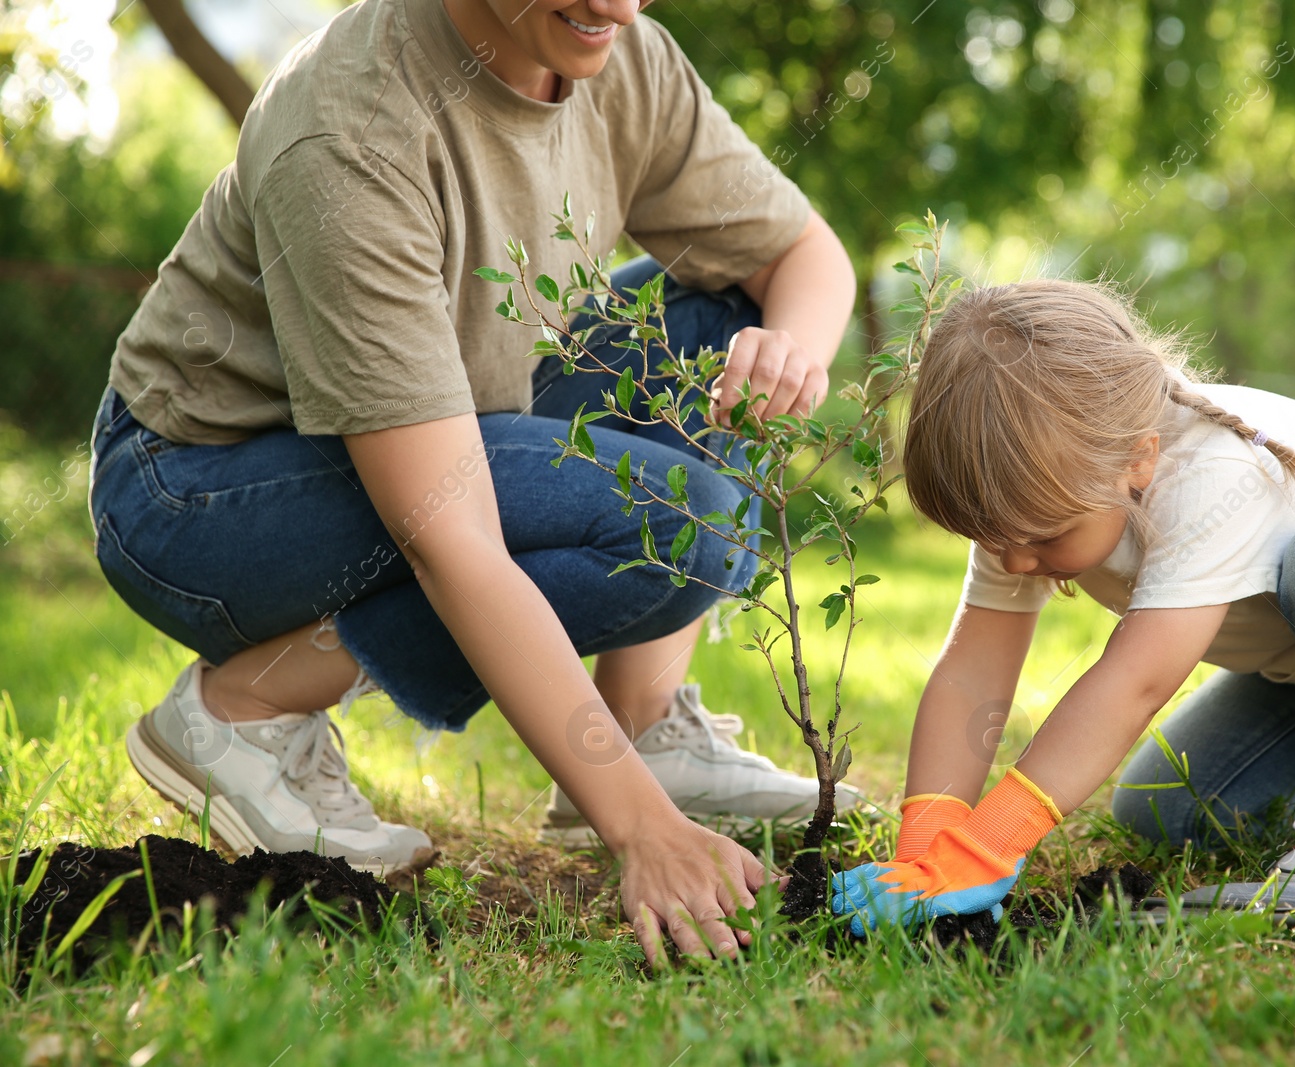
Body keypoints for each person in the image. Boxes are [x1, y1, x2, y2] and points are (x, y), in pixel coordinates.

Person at [88, 0, 862, 966]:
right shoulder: (351, 128)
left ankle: (646, 721)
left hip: (459, 414)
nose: (620, 7)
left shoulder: (619, 53)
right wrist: (641, 830)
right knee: (684, 526)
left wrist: (786, 355)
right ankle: (244, 707)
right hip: (199, 493)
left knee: (729, 316)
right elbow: (449, 537)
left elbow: (803, 254)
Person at [830, 279, 1295, 933]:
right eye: (994, 538)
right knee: (1163, 807)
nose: (1015, 561)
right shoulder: (1036, 492)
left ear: (1138, 460)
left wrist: (991, 842)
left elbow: (1136, 680)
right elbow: (971, 671)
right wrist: (928, 848)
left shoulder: (1211, 470)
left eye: (1042, 537)